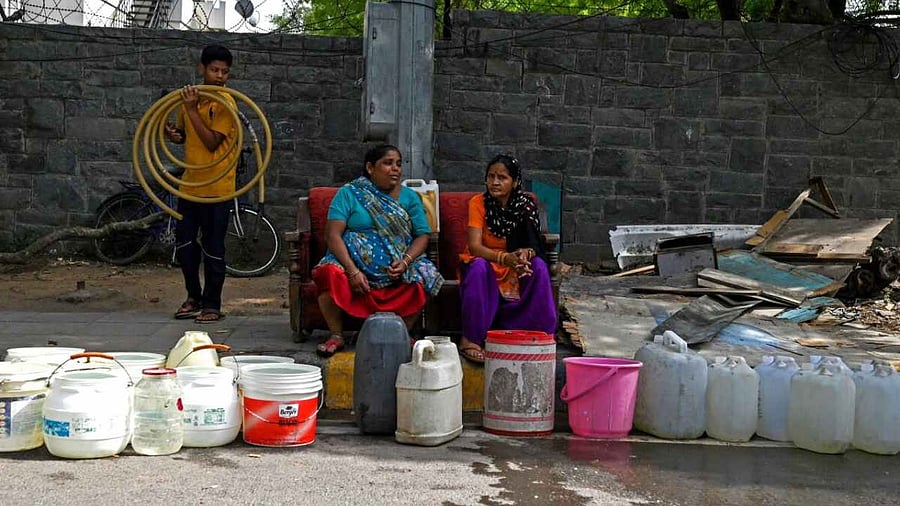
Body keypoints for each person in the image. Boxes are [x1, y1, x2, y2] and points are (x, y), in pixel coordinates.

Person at [313, 144, 444, 357]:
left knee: (426, 276)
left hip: (397, 266)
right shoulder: (350, 193)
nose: (396, 169)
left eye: (399, 164)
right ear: (370, 167)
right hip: (353, 267)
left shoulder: (409, 197)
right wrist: (353, 271)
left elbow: (423, 235)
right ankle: (336, 335)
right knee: (327, 272)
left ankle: (402, 334)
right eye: (388, 163)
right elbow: (332, 235)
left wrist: (405, 261)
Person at [457, 154, 557, 363]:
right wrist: (504, 258)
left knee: (538, 266)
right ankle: (471, 340)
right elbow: (475, 246)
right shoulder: (479, 203)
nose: (495, 182)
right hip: (486, 261)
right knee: (478, 268)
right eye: (491, 176)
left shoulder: (525, 204)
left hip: (513, 263)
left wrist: (523, 256)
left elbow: (532, 243)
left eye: (502, 177)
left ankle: (537, 336)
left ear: (515, 182)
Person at [164, 44, 238, 323]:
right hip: (191, 186)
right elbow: (186, 136)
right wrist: (174, 134)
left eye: (225, 72)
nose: (220, 76)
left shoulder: (225, 103)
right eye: (215, 70)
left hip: (218, 188)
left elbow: (210, 142)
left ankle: (212, 305)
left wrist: (192, 109)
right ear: (202, 69)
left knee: (213, 248)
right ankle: (193, 297)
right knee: (184, 245)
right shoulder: (192, 101)